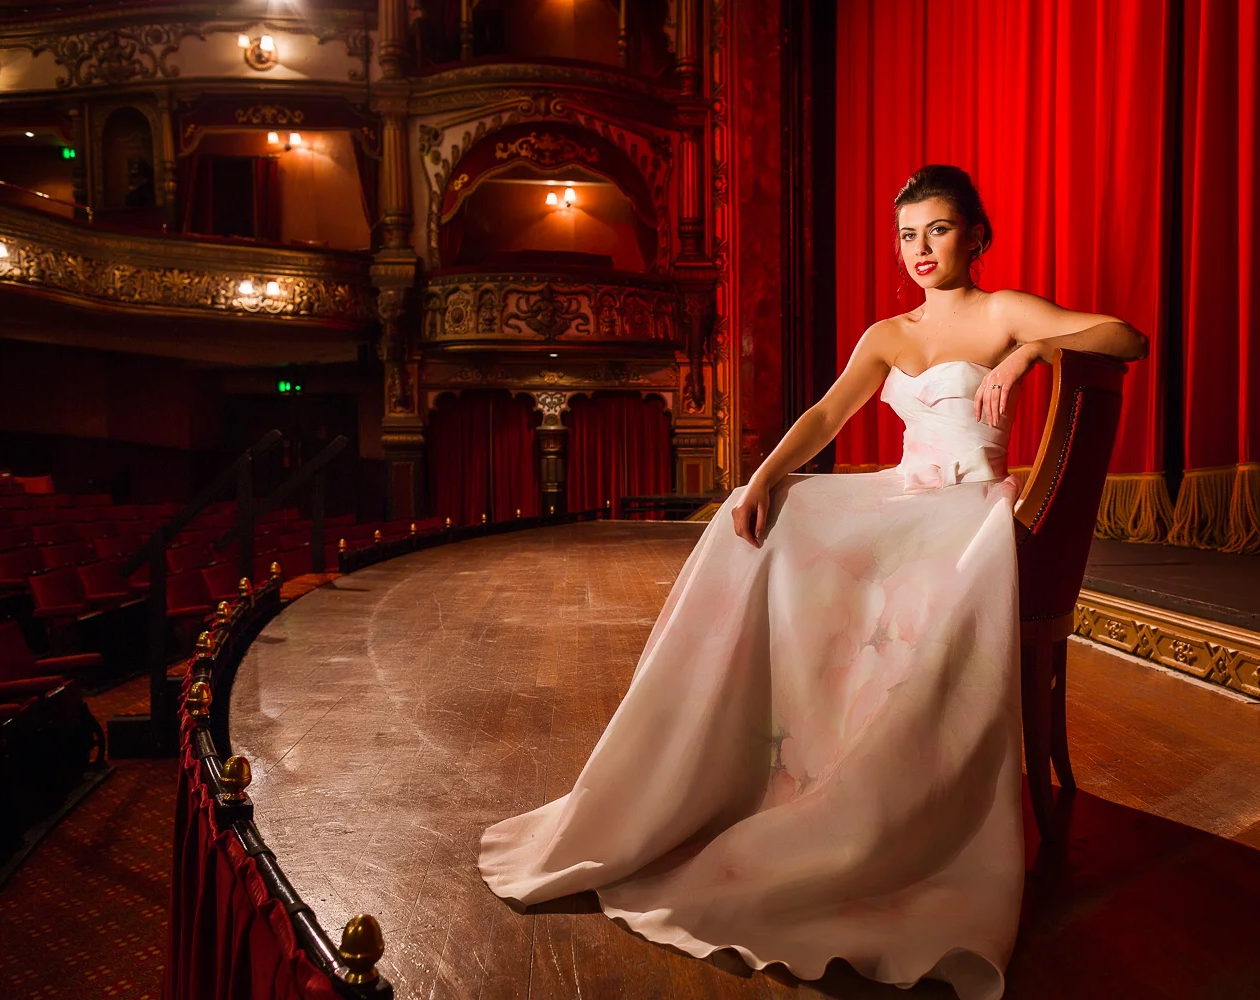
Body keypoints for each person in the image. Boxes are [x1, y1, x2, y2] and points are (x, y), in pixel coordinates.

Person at [478, 164, 1149, 999]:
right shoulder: (887, 333)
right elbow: (827, 417)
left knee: (830, 551)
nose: (920, 250)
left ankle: (857, 796)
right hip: (905, 499)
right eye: (907, 235)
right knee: (765, 523)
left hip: (966, 511)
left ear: (975, 235)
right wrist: (762, 477)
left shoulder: (1003, 311)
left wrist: (1032, 352)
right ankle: (738, 760)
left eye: (937, 231)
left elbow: (1127, 338)